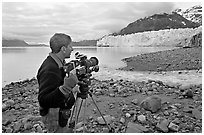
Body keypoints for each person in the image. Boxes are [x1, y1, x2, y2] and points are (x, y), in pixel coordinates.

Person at [37, 33, 78, 133]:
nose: (72, 49)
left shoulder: (58, 62)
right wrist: (66, 87)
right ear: (63, 49)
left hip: (60, 112)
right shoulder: (50, 68)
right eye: (70, 46)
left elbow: (57, 84)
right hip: (54, 117)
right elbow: (43, 100)